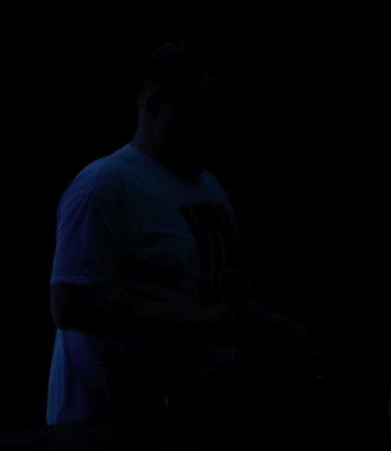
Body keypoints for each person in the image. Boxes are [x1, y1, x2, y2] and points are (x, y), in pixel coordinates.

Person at [46, 40, 309, 431]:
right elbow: (70, 304)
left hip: (184, 421)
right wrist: (199, 322)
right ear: (153, 104)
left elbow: (219, 294)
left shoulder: (208, 186)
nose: (211, 124)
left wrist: (275, 327)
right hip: (107, 430)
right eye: (197, 109)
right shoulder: (104, 186)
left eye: (217, 110)